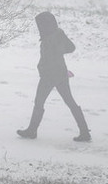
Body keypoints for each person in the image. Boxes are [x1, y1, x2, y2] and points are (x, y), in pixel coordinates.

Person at [17, 11, 91, 142]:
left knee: (40, 101)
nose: (38, 27)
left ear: (45, 24)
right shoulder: (54, 34)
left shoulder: (54, 36)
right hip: (59, 73)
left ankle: (32, 131)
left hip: (50, 75)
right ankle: (84, 132)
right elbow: (67, 49)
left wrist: (57, 51)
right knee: (69, 102)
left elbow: (68, 49)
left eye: (40, 24)